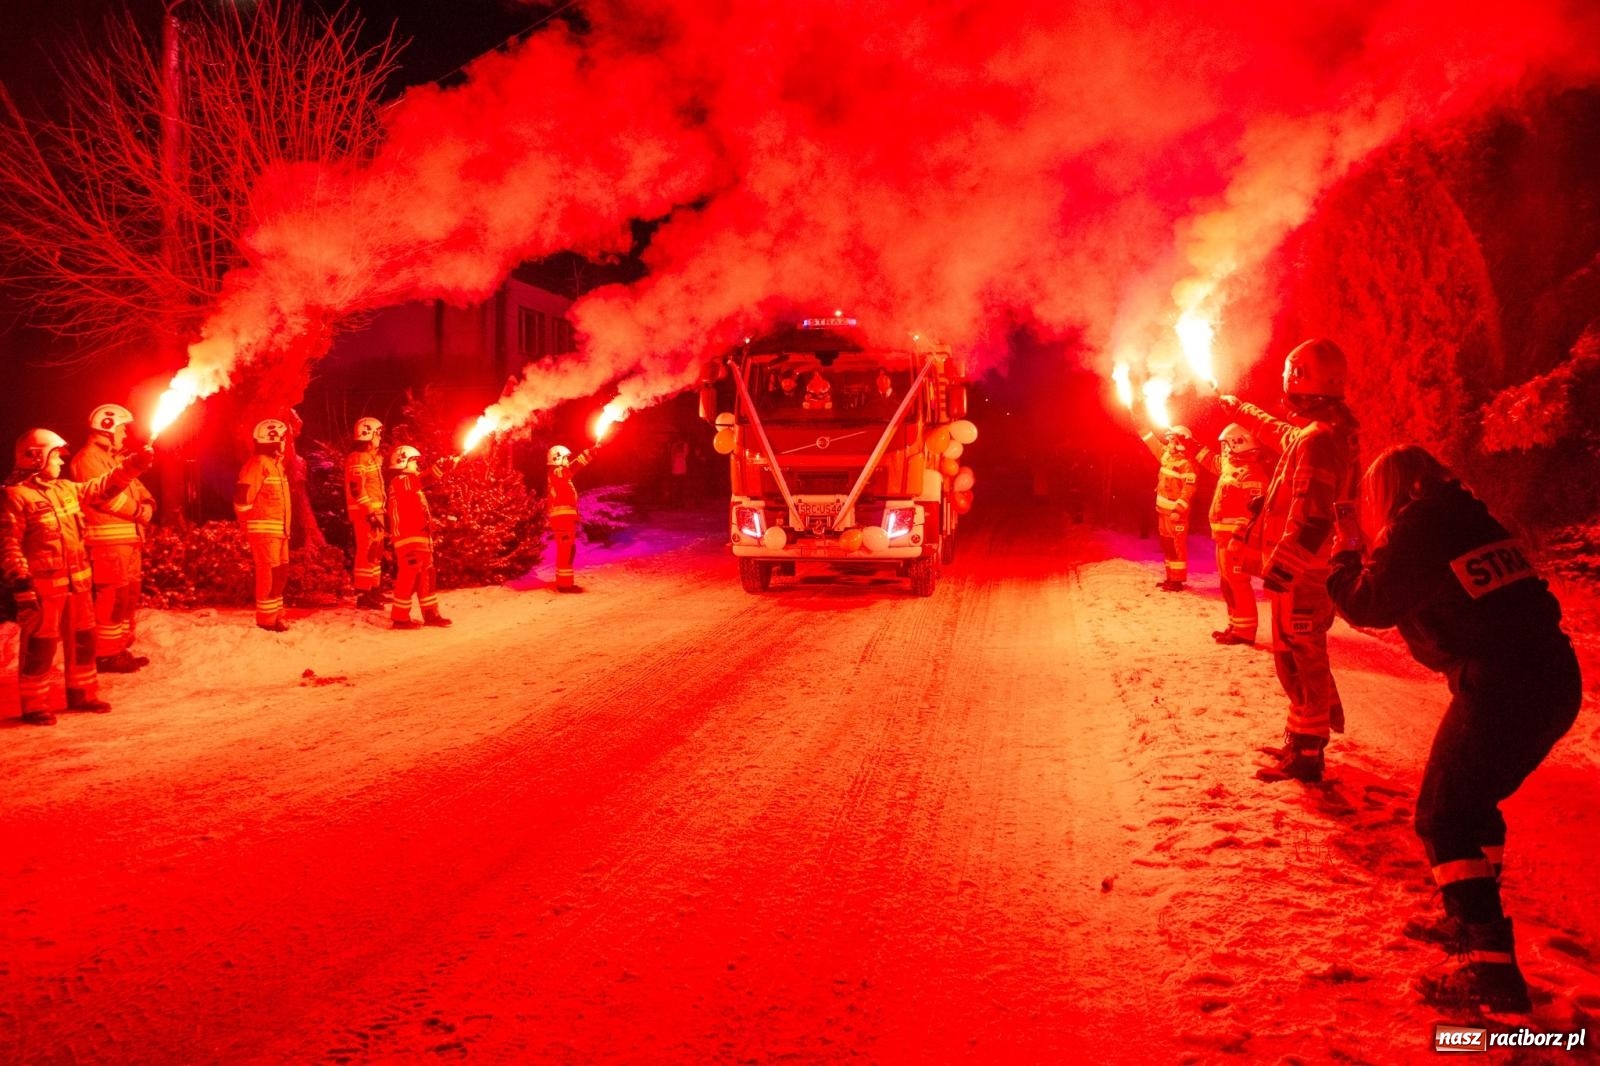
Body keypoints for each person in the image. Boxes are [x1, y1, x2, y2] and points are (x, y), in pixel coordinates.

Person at [1326, 445, 1580, 1013]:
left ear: (1387, 491)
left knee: (1445, 814)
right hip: (1552, 677)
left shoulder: (1418, 525)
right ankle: (1466, 920)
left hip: (1503, 683)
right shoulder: (1468, 516)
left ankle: (1491, 979)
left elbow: (1368, 603)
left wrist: (1343, 557)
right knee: (1473, 803)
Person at [1222, 338, 1361, 783]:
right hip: (1302, 571)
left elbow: (1313, 517)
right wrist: (1238, 408)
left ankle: (1308, 753)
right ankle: (1298, 736)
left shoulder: (1319, 441)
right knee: (1293, 656)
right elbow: (1277, 433)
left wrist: (1282, 569)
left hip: (1303, 574)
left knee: (1304, 658)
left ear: (1300, 380)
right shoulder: (1316, 435)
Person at [3, 428, 153, 725]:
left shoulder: (65, 489)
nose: (60, 461)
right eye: (55, 455)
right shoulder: (14, 496)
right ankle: (34, 704)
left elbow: (101, 488)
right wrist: (21, 583)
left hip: (79, 583)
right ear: (35, 457)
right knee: (40, 645)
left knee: (83, 640)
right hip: (44, 587)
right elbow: (8, 543)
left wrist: (133, 465)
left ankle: (82, 693)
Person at [69, 403, 157, 673]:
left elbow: (139, 489)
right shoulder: (88, 459)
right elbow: (105, 498)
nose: (125, 435)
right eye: (122, 429)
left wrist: (149, 504)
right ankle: (105, 654)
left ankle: (119, 648)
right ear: (107, 428)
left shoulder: (116, 459)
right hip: (108, 542)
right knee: (113, 596)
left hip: (127, 540)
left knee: (128, 594)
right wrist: (140, 512)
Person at [1195, 423, 1271, 645]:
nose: (1224, 451)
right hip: (1223, 541)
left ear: (1239, 444)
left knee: (1238, 583)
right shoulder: (1233, 468)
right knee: (1227, 583)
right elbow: (1210, 460)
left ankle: (1245, 632)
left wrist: (1239, 538)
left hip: (1237, 543)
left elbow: (1253, 514)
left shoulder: (1252, 476)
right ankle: (1235, 625)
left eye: (1227, 446)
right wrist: (1190, 444)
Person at [386, 445, 454, 629]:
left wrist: (438, 525)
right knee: (409, 575)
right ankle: (400, 618)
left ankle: (430, 613)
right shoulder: (400, 481)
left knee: (427, 575)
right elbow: (421, 480)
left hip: (421, 539)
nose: (417, 465)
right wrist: (439, 467)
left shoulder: (411, 486)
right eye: (414, 461)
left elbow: (418, 513)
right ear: (402, 461)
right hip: (408, 540)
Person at [235, 418, 293, 632]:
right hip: (265, 532)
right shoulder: (258, 464)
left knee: (280, 572)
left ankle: (276, 615)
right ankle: (267, 620)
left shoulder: (275, 466)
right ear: (275, 440)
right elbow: (242, 499)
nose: (286, 443)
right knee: (268, 574)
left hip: (279, 531)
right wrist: (247, 526)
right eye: (284, 439)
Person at [1139, 425, 1198, 591]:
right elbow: (1153, 443)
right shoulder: (1167, 457)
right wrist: (1141, 424)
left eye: (1173, 440)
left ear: (1181, 442)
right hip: (1163, 512)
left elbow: (1189, 489)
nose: (1169, 442)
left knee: (1176, 546)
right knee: (1166, 545)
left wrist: (1178, 510)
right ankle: (1170, 577)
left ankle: (1177, 581)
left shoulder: (1187, 464)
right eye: (1169, 439)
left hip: (1176, 515)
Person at [547, 440, 602, 592]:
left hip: (564, 519)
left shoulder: (559, 476)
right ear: (557, 458)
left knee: (568, 550)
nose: (567, 461)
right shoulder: (556, 472)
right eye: (565, 458)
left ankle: (565, 583)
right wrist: (587, 454)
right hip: (562, 520)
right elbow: (571, 468)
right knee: (566, 550)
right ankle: (564, 586)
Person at [344, 417, 387, 609]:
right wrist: (369, 512)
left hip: (375, 512)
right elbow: (356, 488)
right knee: (366, 552)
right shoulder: (357, 458)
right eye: (378, 434)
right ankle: (364, 594)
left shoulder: (369, 457)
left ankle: (374, 589)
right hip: (365, 513)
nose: (380, 438)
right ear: (368, 435)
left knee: (375, 552)